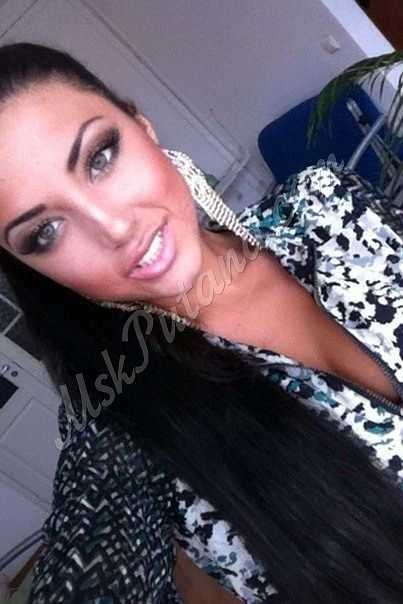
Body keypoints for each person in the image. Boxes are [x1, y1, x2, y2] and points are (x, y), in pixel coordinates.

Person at [0, 41, 402, 604]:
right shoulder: (114, 419)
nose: (114, 227)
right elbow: (97, 542)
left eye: (100, 158)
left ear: (143, 127)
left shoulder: (325, 204)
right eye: (45, 232)